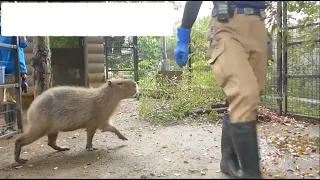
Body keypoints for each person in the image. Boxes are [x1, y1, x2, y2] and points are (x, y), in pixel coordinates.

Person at [174, 1, 269, 179]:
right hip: (226, 26)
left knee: (252, 96)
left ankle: (228, 160)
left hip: (259, 25)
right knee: (245, 93)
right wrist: (184, 34)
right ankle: (252, 175)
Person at [0, 20, 29, 131]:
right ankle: (10, 126)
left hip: (12, 69)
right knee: (5, 98)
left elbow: (23, 44)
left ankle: (11, 127)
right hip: (3, 69)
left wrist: (23, 73)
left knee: (9, 98)